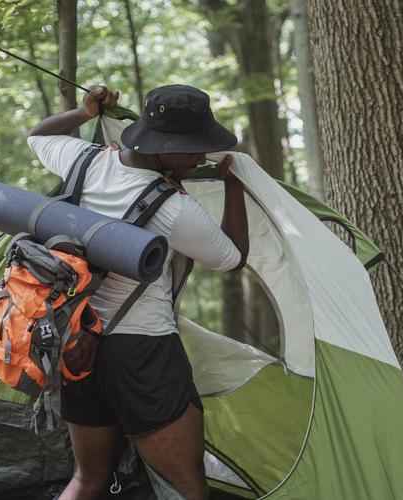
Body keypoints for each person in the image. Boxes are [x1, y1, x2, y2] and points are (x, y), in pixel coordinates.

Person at [27, 84, 249, 500]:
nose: (201, 157)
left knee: (86, 480)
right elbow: (231, 258)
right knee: (187, 488)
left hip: (76, 347)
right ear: (164, 147)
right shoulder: (172, 208)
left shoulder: (84, 161)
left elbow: (38, 135)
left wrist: (84, 112)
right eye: (194, 148)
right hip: (144, 353)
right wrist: (232, 185)